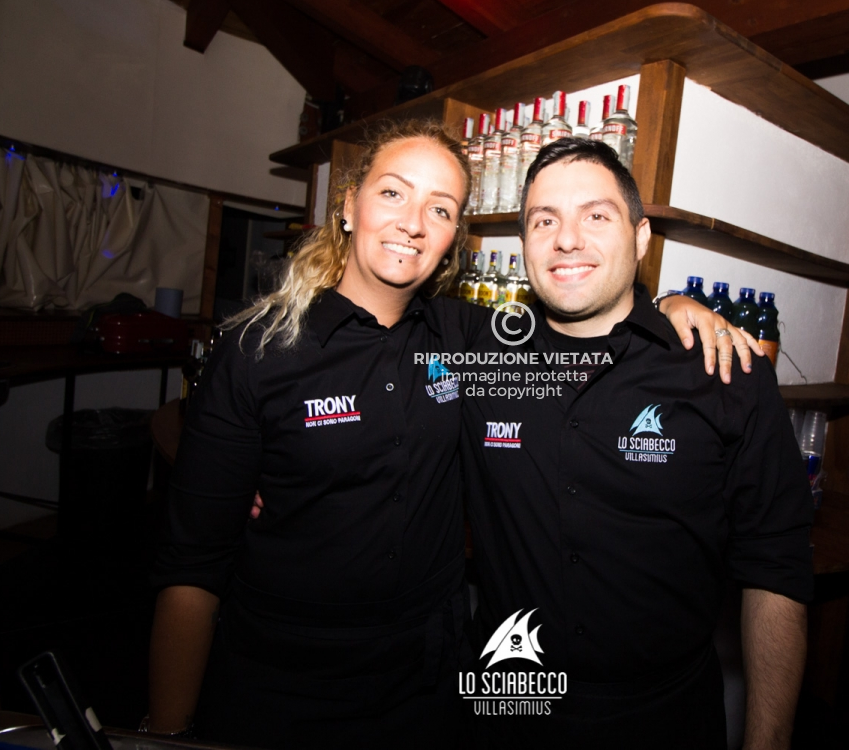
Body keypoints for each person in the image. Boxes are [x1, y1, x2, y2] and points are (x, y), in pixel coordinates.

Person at [146, 121, 753, 748]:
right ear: (349, 206)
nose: (413, 223)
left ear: (451, 239)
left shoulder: (469, 336)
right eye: (393, 193)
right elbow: (192, 563)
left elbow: (591, 306)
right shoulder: (258, 350)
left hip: (428, 688)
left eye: (439, 209)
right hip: (283, 683)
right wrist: (164, 732)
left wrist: (671, 306)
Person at [460, 137, 813, 748]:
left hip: (664, 717)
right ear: (524, 244)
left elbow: (777, 571)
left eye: (596, 216)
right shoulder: (478, 358)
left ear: (641, 237)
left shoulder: (724, 374)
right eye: (545, 221)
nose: (567, 240)